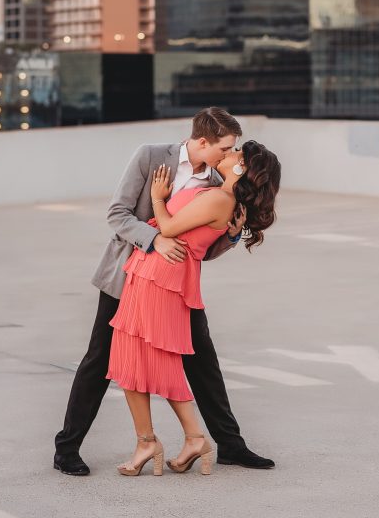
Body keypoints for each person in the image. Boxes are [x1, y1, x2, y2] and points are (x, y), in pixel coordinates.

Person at [53, 107, 276, 475]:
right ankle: (67, 448)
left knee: (202, 361)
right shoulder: (152, 157)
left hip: (177, 286)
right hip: (128, 275)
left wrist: (233, 235)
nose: (229, 154)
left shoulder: (218, 183)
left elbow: (202, 248)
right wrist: (155, 239)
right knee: (100, 360)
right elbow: (118, 214)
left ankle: (231, 445)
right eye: (226, 147)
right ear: (203, 142)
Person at [111, 141, 280, 476]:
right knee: (135, 360)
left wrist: (158, 198)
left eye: (233, 154)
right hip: (155, 272)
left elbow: (171, 229)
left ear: (242, 167)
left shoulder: (220, 198)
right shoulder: (220, 195)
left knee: (142, 360)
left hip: (161, 276)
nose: (225, 155)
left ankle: (179, 439)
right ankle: (174, 439)